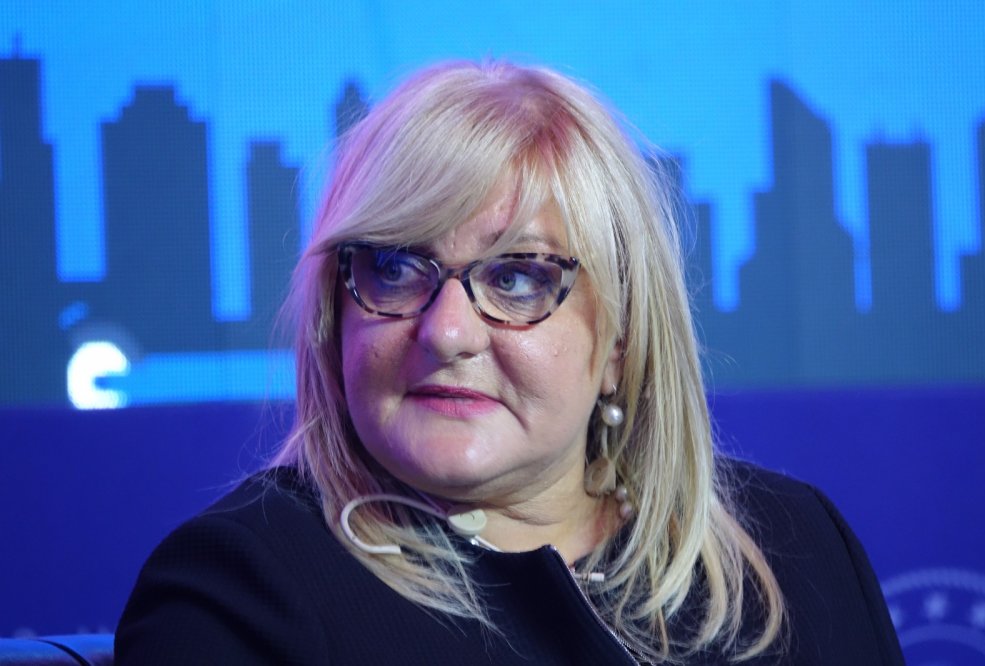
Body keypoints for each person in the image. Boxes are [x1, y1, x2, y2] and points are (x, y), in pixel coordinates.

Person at [115, 60, 904, 664]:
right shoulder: (239, 591)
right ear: (335, 314)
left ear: (619, 341)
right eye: (395, 268)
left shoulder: (796, 550)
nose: (447, 332)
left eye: (518, 277)